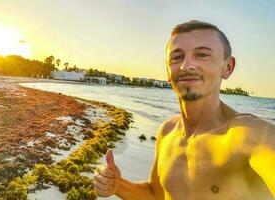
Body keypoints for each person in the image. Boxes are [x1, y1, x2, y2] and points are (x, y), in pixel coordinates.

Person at [93, 20, 275, 200]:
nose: (186, 66)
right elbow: (157, 195)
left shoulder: (252, 135)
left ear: (228, 67)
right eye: (176, 57)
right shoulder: (167, 131)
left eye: (202, 54)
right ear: (168, 72)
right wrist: (118, 186)